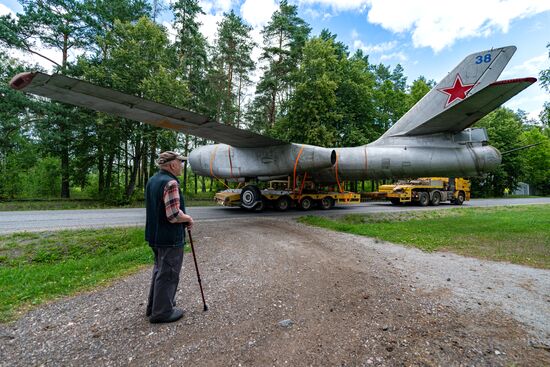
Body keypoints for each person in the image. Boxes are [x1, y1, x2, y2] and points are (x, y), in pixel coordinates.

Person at [145, 151, 194, 323]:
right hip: (169, 237)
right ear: (172, 165)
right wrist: (187, 218)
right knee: (169, 273)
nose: (182, 165)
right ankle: (162, 312)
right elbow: (173, 215)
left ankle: (154, 306)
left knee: (160, 270)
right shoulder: (171, 182)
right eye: (180, 162)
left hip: (154, 235)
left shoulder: (152, 181)